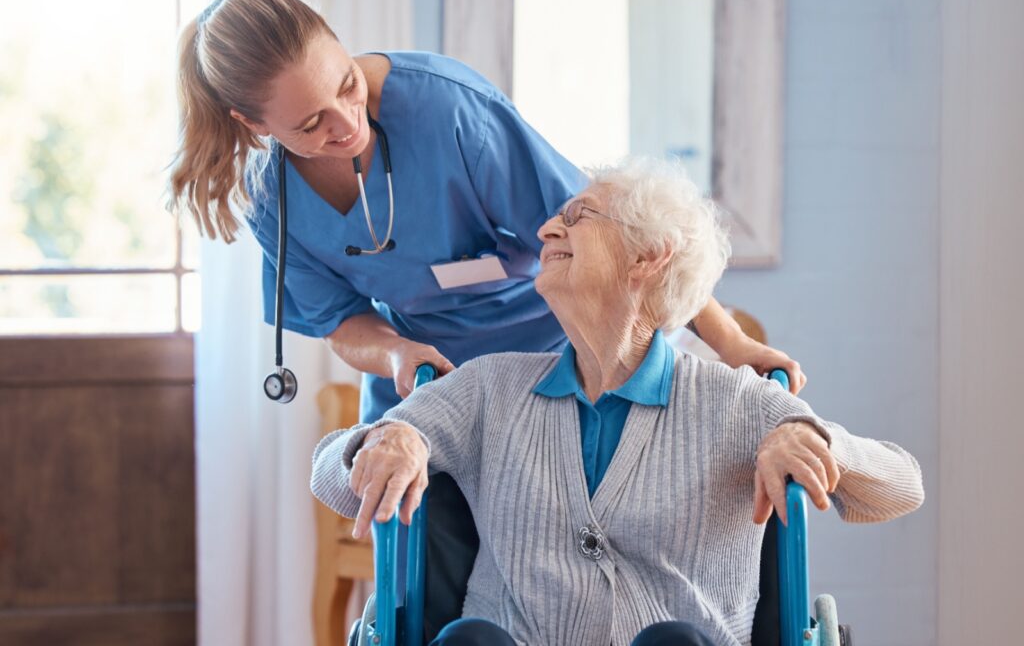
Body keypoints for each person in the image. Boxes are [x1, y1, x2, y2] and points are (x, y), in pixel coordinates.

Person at [310, 157, 925, 646]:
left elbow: (902, 485)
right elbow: (329, 475)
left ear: (647, 257)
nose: (547, 229)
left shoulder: (737, 403)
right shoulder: (488, 387)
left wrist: (813, 441)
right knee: (469, 641)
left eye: (578, 217)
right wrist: (388, 439)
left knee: (675, 643)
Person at [168, 0, 805, 427]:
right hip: (431, 381)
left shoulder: (448, 111)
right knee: (420, 561)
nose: (347, 125)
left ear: (340, 44)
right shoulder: (269, 196)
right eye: (311, 124)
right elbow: (339, 320)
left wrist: (730, 343)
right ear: (253, 126)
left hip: (561, 356)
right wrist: (393, 354)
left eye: (348, 85)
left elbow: (616, 235)